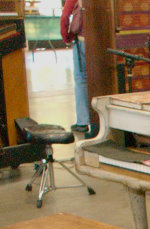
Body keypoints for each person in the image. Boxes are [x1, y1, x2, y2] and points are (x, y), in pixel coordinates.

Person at [60, 0, 90, 135]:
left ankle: (83, 122)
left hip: (82, 41)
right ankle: (101, 119)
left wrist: (66, 37)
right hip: (103, 40)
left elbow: (65, 16)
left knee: (81, 79)